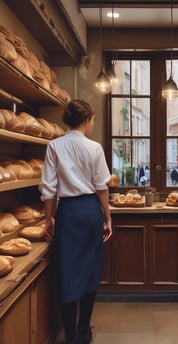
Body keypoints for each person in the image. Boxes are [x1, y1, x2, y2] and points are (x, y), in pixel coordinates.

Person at [39, 99, 112, 344]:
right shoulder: (94, 148)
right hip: (90, 210)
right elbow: (102, 187)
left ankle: (70, 335)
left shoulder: (54, 146)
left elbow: (48, 189)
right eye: (92, 119)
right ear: (87, 120)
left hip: (67, 212)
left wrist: (49, 219)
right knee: (91, 270)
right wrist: (107, 217)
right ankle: (84, 331)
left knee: (67, 271)